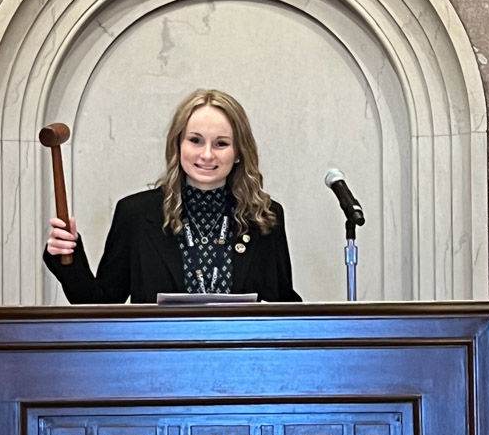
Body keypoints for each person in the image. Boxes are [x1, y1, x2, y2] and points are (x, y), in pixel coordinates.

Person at [44, 88, 301, 303]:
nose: (207, 154)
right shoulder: (135, 215)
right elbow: (102, 308)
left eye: (221, 143)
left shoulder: (265, 216)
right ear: (177, 145)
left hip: (243, 362)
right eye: (195, 140)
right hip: (155, 361)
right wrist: (68, 258)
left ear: (238, 153)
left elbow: (283, 307)